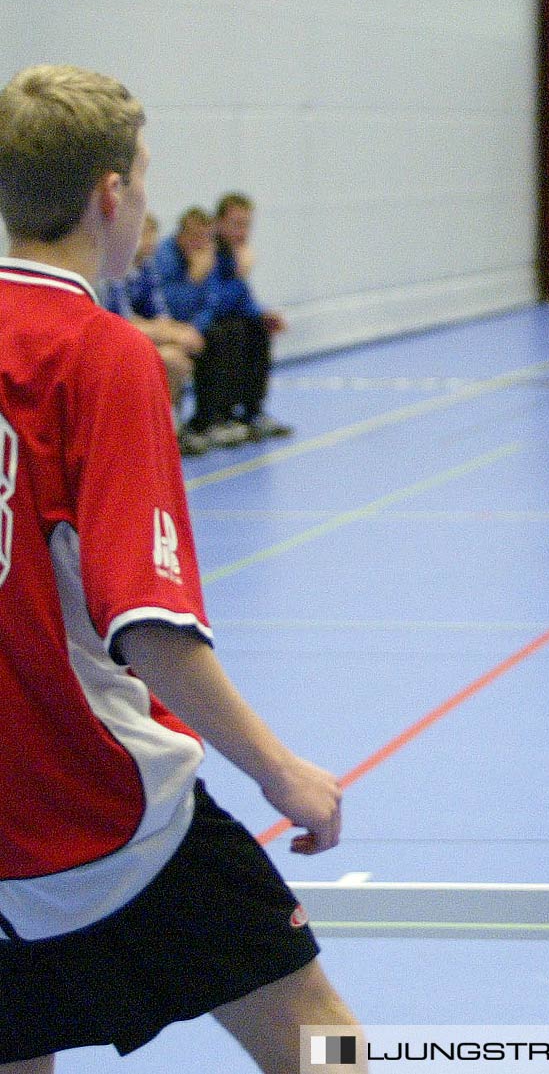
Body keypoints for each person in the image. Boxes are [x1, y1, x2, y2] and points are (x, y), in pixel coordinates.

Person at [0, 64, 364, 1073]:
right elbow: (147, 622)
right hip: (108, 809)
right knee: (324, 1042)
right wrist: (282, 773)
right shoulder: (100, 354)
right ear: (110, 195)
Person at [150, 194, 292, 449]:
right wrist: (196, 279)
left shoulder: (228, 255)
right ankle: (209, 419)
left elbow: (234, 296)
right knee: (221, 334)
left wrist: (262, 313)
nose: (242, 232)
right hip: (177, 326)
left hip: (198, 324)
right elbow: (175, 304)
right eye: (236, 224)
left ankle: (250, 412)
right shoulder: (172, 255)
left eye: (246, 225)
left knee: (254, 328)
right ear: (218, 224)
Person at [103, 212, 209, 451]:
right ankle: (159, 433)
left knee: (184, 348)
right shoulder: (115, 270)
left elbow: (159, 312)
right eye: (143, 234)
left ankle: (171, 427)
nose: (149, 241)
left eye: (152, 234)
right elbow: (124, 321)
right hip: (112, 345)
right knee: (171, 358)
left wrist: (179, 331)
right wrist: (170, 333)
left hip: (135, 339)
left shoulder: (147, 267)